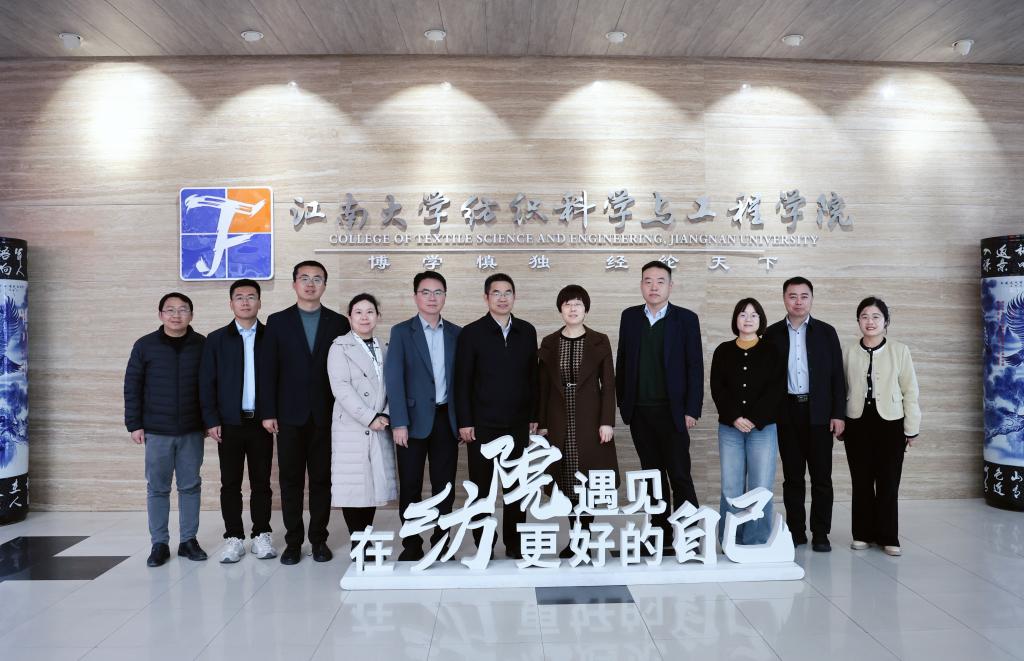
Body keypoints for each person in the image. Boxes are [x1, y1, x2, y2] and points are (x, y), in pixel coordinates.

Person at [259, 260, 349, 565]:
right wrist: (268, 412)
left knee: (322, 480)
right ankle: (293, 542)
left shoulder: (338, 323)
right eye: (305, 278)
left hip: (327, 415)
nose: (311, 284)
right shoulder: (277, 321)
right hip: (288, 415)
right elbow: (268, 370)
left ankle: (319, 540)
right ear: (294, 284)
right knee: (291, 481)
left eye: (317, 279)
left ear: (325, 285)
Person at [616, 261, 703, 548]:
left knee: (679, 474)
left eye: (660, 281)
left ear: (670, 286)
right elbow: (623, 361)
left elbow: (695, 366)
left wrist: (692, 409)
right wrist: (623, 403)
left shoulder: (686, 319)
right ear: (641, 285)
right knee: (651, 476)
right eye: (648, 281)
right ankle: (660, 534)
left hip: (673, 412)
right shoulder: (630, 317)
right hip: (640, 411)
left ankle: (689, 534)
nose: (654, 287)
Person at [454, 273, 539, 559]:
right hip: (482, 425)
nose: (502, 298)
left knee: (516, 487)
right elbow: (462, 381)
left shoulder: (526, 331)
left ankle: (515, 544)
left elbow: (533, 377)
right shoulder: (471, 333)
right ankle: (484, 545)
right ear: (486, 297)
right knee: (482, 489)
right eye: (496, 293)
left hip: (517, 423)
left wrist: (534, 415)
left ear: (515, 296)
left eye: (507, 292)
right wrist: (465, 421)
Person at [124, 292, 207, 567]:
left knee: (190, 486)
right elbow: (132, 386)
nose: (176, 315)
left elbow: (211, 386)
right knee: (158, 488)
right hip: (157, 430)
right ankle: (159, 543)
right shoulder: (145, 345)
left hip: (192, 430)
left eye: (183, 309)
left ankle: (188, 541)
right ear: (160, 314)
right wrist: (134, 424)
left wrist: (209, 421)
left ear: (191, 315)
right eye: (170, 310)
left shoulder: (202, 345)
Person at [384, 271, 462, 561]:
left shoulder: (456, 333)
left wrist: (461, 422)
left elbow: (462, 382)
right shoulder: (402, 332)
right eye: (426, 292)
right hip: (411, 421)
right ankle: (412, 544)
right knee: (411, 485)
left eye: (438, 292)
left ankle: (442, 543)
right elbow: (394, 380)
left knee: (445, 486)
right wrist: (399, 422)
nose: (432, 298)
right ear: (415, 296)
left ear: (445, 296)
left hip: (446, 420)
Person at [765, 276, 846, 552]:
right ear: (784, 299)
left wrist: (838, 414)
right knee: (793, 477)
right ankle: (796, 531)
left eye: (804, 296)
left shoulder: (826, 332)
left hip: (820, 413)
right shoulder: (772, 334)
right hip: (786, 413)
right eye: (792, 296)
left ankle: (821, 533)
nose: (798, 302)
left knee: (822, 477)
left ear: (811, 299)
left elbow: (837, 376)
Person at [199, 278, 276, 563]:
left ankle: (261, 534)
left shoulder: (271, 337)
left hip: (261, 423)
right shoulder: (216, 339)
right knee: (230, 483)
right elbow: (207, 383)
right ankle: (233, 538)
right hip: (229, 423)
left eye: (251, 296)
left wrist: (272, 413)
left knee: (261, 483)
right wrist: (211, 419)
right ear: (231, 303)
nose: (245, 302)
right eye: (239, 297)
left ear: (260, 302)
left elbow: (279, 379)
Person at [537, 284, 617, 557]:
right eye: (568, 304)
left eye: (578, 304)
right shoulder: (549, 342)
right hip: (559, 420)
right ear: (560, 309)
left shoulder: (599, 340)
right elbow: (543, 386)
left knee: (588, 480)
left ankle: (585, 537)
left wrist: (607, 421)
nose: (573, 309)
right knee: (566, 479)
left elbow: (608, 384)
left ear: (586, 309)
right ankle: (574, 539)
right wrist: (542, 423)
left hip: (590, 420)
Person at [842, 296, 920, 557]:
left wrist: (911, 427)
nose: (870, 321)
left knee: (888, 481)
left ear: (886, 321)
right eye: (864, 316)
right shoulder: (849, 351)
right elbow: (841, 388)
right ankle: (862, 533)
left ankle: (888, 536)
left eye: (876, 317)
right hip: (857, 423)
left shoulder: (900, 350)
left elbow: (910, 390)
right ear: (858, 321)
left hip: (891, 423)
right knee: (861, 480)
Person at [710, 298, 785, 544]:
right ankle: (730, 539)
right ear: (736, 319)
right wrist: (735, 417)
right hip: (729, 429)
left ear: (761, 320)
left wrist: (753, 419)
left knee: (760, 486)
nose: (748, 319)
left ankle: (756, 539)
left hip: (763, 428)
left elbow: (776, 389)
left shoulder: (772, 350)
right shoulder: (723, 350)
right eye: (743, 314)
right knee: (731, 486)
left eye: (754, 315)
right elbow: (718, 388)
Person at [327, 294, 397, 545]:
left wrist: (385, 414)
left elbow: (394, 385)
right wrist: (370, 418)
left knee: (372, 487)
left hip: (380, 425)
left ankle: (366, 538)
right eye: (358, 312)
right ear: (349, 317)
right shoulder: (339, 347)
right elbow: (341, 388)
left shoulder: (385, 347)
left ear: (378, 316)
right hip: (352, 426)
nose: (364, 317)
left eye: (370, 312)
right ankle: (358, 542)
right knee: (354, 486)